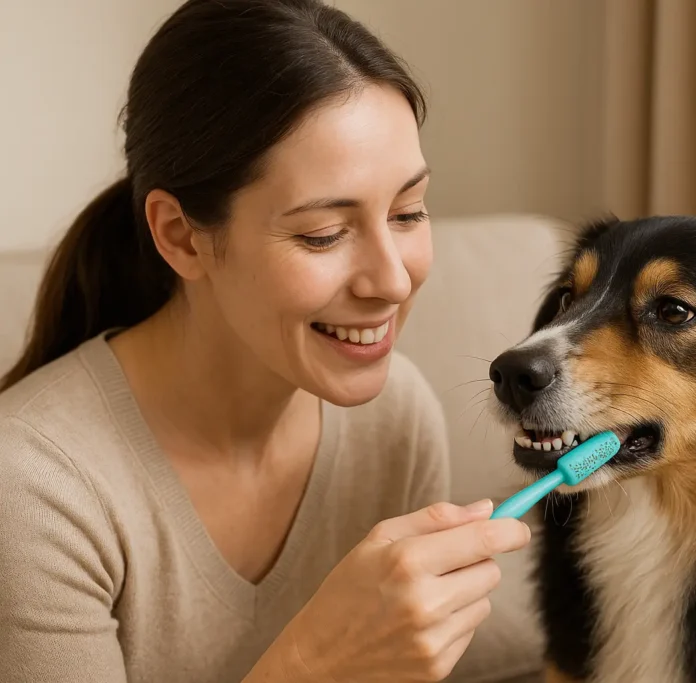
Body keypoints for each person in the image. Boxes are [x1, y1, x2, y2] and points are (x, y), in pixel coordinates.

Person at [0, 1, 532, 681]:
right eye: (323, 233)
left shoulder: (394, 418)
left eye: (408, 212)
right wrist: (313, 662)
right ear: (181, 236)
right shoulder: (36, 488)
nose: (393, 280)